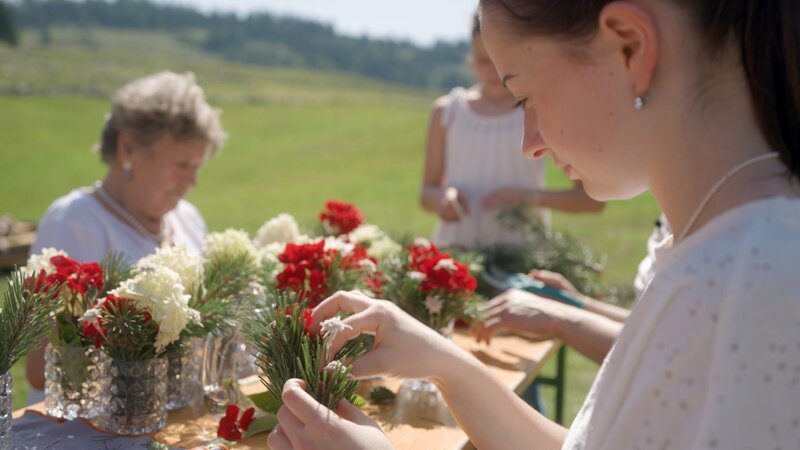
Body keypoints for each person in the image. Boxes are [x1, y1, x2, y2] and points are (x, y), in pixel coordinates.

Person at [268, 0, 800, 448]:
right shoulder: (726, 252)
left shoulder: (752, 281)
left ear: (630, 48)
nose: (530, 143)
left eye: (524, 95)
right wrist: (443, 361)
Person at [26, 70, 226, 394]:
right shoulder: (74, 223)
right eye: (181, 164)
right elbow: (40, 369)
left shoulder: (188, 219)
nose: (192, 182)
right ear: (127, 149)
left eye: (197, 166)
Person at [420, 13, 603, 250]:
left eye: (499, 62)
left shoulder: (539, 109)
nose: (492, 72)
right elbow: (426, 194)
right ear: (469, 56)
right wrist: (445, 199)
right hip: (456, 251)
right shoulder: (447, 111)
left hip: (524, 253)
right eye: (482, 60)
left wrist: (527, 198)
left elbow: (589, 200)